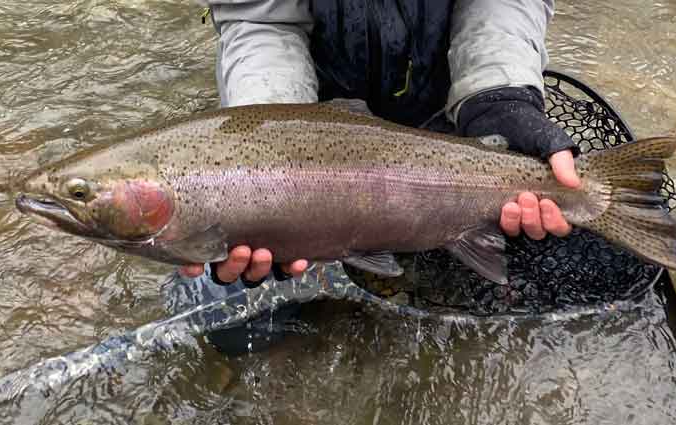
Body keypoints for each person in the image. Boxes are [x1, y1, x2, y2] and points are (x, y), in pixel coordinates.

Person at [180, 0, 580, 288]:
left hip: (450, 111)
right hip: (313, 118)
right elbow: (260, 17)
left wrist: (498, 94)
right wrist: (269, 141)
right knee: (245, 306)